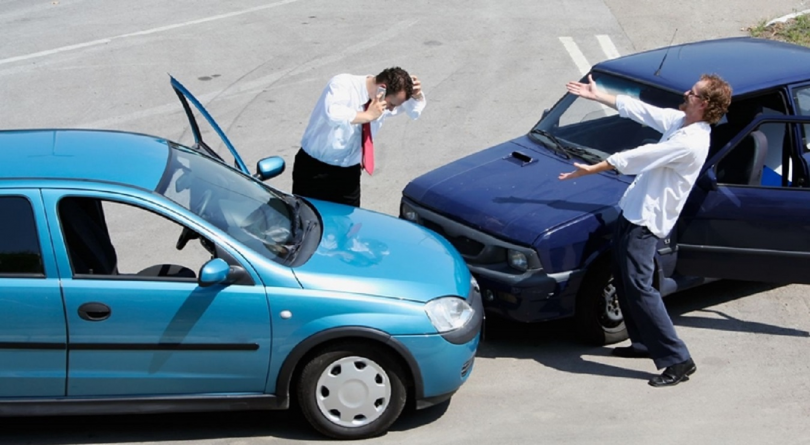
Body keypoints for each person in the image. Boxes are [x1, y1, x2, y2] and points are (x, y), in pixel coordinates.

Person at [559, 73, 732, 387]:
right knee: (627, 281)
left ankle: (678, 360)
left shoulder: (690, 141)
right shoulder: (681, 122)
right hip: (633, 212)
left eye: (691, 92)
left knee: (640, 288)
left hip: (646, 223)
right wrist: (598, 96)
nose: (685, 92)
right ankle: (642, 344)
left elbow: (641, 156)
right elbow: (641, 110)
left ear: (703, 104)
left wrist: (594, 168)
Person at [292, 67, 426, 207]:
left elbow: (414, 112)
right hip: (315, 170)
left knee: (349, 223)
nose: (391, 109)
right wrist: (368, 115)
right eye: (391, 104)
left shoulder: (381, 102)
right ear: (382, 89)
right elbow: (333, 114)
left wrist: (416, 96)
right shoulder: (342, 84)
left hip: (349, 175)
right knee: (306, 222)